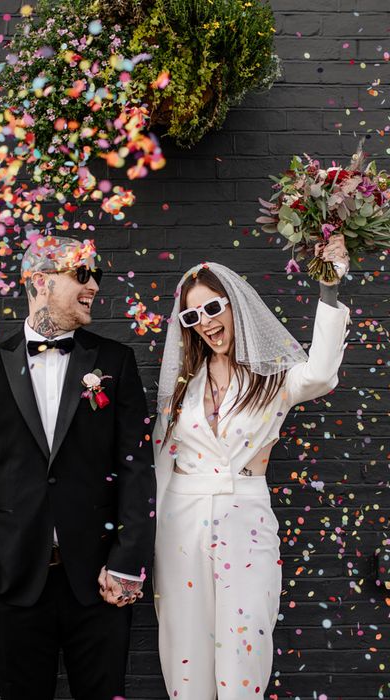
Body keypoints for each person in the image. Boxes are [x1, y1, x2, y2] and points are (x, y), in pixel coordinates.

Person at [0, 235, 155, 700]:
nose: (95, 287)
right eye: (81, 275)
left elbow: (136, 468)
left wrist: (127, 562)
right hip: (11, 582)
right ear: (40, 282)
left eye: (96, 277)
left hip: (99, 582)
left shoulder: (114, 362)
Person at [153, 236, 351, 699]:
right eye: (191, 315)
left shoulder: (273, 378)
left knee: (245, 644)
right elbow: (162, 460)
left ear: (234, 305)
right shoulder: (182, 387)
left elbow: (321, 373)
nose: (205, 322)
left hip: (246, 514)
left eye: (212, 308)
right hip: (181, 522)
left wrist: (328, 292)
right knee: (184, 645)